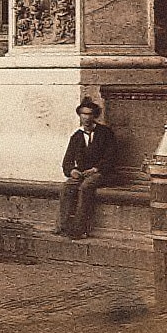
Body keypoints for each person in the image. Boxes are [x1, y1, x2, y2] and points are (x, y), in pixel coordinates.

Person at [56, 97, 117, 239]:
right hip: (83, 174)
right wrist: (73, 171)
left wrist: (95, 169)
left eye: (89, 114)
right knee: (67, 187)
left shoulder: (106, 133)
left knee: (86, 187)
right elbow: (67, 162)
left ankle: (79, 229)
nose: (86, 118)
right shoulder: (76, 136)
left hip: (102, 173)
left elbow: (111, 158)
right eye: (83, 114)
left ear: (95, 116)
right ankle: (63, 226)